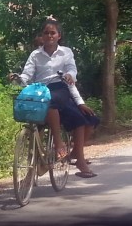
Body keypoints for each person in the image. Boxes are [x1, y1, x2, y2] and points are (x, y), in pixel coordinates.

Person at [9, 17, 100, 178]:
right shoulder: (35, 55)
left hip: (61, 88)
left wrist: (70, 76)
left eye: (53, 33)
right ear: (42, 36)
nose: (50, 35)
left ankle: (69, 151)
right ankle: (63, 150)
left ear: (59, 35)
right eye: (46, 33)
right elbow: (27, 76)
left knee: (86, 118)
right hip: (40, 89)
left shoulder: (66, 52)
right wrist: (17, 78)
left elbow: (72, 70)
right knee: (51, 103)